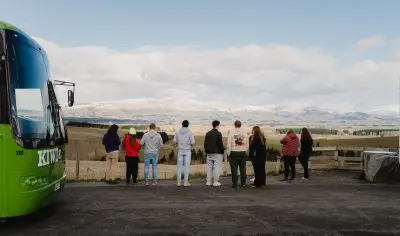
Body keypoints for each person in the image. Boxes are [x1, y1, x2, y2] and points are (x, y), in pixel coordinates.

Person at [227, 120, 249, 188]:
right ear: (240, 125)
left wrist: (228, 153)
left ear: (234, 125)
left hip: (234, 151)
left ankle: (234, 183)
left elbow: (229, 144)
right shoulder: (245, 132)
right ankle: (243, 183)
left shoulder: (231, 132)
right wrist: (246, 151)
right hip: (242, 151)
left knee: (234, 169)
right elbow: (247, 143)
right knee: (243, 168)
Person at [173, 120, 195, 187]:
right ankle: (185, 182)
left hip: (180, 150)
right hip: (187, 151)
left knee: (179, 166)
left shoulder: (177, 132)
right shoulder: (190, 132)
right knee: (186, 167)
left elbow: (174, 141)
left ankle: (179, 182)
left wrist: (178, 143)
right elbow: (193, 142)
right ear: (188, 125)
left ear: (182, 124)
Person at [204, 120, 224, 187]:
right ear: (217, 125)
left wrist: (206, 151)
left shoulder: (208, 133)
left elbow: (205, 144)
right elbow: (220, 144)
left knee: (209, 167)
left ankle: (208, 182)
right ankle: (215, 182)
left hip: (209, 153)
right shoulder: (219, 133)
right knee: (216, 167)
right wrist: (222, 152)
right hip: (217, 153)